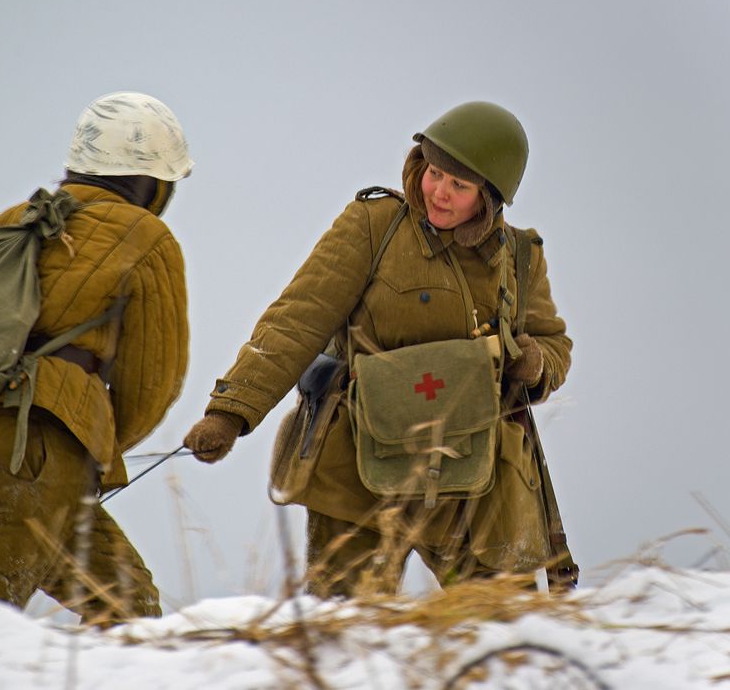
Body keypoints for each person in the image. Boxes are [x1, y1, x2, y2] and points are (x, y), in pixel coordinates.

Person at [183, 101, 572, 597]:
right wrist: (230, 413)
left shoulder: (519, 257)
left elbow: (553, 343)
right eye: (434, 174)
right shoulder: (375, 225)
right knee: (347, 632)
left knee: (501, 637)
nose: (440, 193)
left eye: (460, 185)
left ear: (490, 197)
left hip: (476, 479)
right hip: (358, 468)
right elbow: (297, 319)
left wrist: (535, 362)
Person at [0, 91, 192, 623]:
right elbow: (153, 380)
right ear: (154, 181)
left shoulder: (7, 223)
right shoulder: (147, 237)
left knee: (131, 615)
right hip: (38, 459)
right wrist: (94, 438)